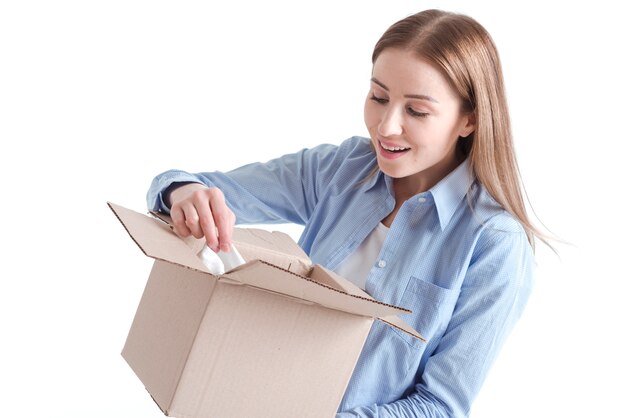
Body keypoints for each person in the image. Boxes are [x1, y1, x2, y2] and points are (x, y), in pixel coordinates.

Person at [147, 9, 543, 417]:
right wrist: (185, 193)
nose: (386, 127)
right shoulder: (341, 169)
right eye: (379, 97)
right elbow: (189, 184)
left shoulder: (496, 243)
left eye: (417, 111)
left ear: (469, 119)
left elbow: (440, 407)